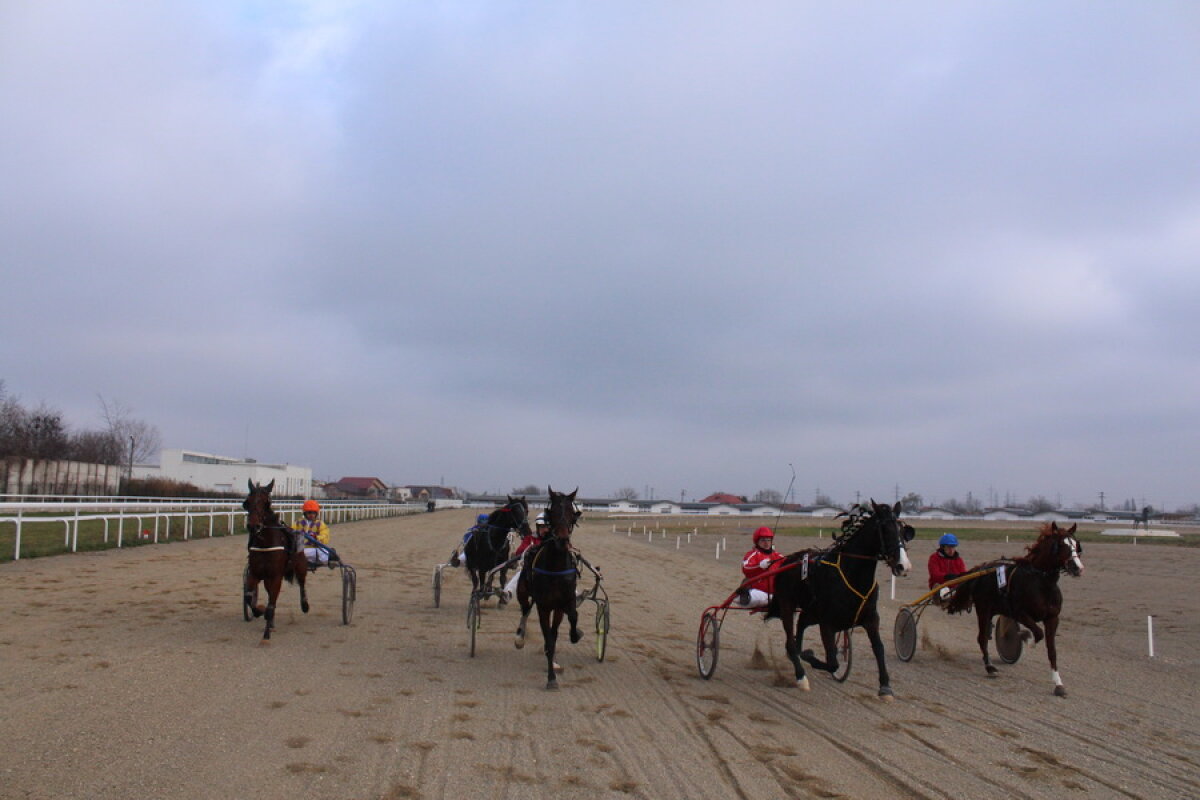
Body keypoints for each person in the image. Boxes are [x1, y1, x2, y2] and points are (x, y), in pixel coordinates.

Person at [732, 526, 785, 608]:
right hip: (758, 592)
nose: (766, 543)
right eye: (763, 540)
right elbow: (745, 568)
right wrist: (759, 566)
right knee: (752, 597)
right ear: (757, 542)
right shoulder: (752, 554)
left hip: (775, 593)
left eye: (768, 540)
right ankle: (744, 597)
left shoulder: (778, 556)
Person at [501, 511, 551, 598]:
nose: (545, 530)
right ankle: (507, 594)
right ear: (537, 527)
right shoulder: (530, 538)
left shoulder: (554, 540)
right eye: (543, 527)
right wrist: (531, 548)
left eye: (547, 527)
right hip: (533, 569)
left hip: (550, 570)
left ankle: (574, 596)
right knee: (521, 573)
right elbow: (519, 551)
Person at [294, 499, 337, 568]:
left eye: (313, 513)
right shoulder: (298, 523)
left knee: (323, 552)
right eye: (309, 513)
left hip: (315, 549)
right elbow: (290, 531)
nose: (311, 515)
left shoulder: (320, 524)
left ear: (316, 513)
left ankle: (330, 559)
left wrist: (316, 537)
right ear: (305, 513)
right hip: (300, 549)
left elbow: (325, 537)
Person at [928, 533, 966, 602]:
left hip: (955, 587)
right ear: (942, 547)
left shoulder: (959, 560)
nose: (951, 551)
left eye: (953, 547)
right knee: (944, 590)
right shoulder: (934, 558)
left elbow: (963, 574)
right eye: (948, 547)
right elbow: (934, 575)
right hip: (939, 587)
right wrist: (946, 577)